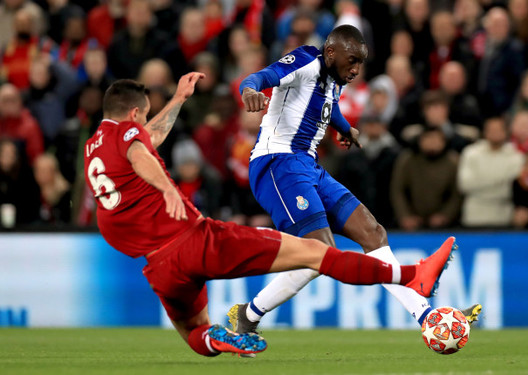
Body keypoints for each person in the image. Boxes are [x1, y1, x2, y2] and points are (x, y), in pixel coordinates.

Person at [84, 74, 456, 357]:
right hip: (200, 241)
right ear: (133, 113)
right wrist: (166, 188)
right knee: (316, 253)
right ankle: (412, 276)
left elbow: (146, 139)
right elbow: (141, 151)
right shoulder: (130, 138)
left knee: (194, 333)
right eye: (143, 114)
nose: (143, 123)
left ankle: (220, 337)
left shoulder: (95, 148)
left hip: (160, 267)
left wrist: (179, 99)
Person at [228, 25, 481, 337]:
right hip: (277, 164)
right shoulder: (307, 60)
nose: (356, 69)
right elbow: (259, 78)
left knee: (372, 232)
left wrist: (345, 128)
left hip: (307, 165)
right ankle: (249, 314)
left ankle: (427, 318)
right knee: (320, 252)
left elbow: (326, 107)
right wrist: (249, 91)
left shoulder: (334, 81)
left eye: (361, 63)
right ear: (331, 52)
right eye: (352, 61)